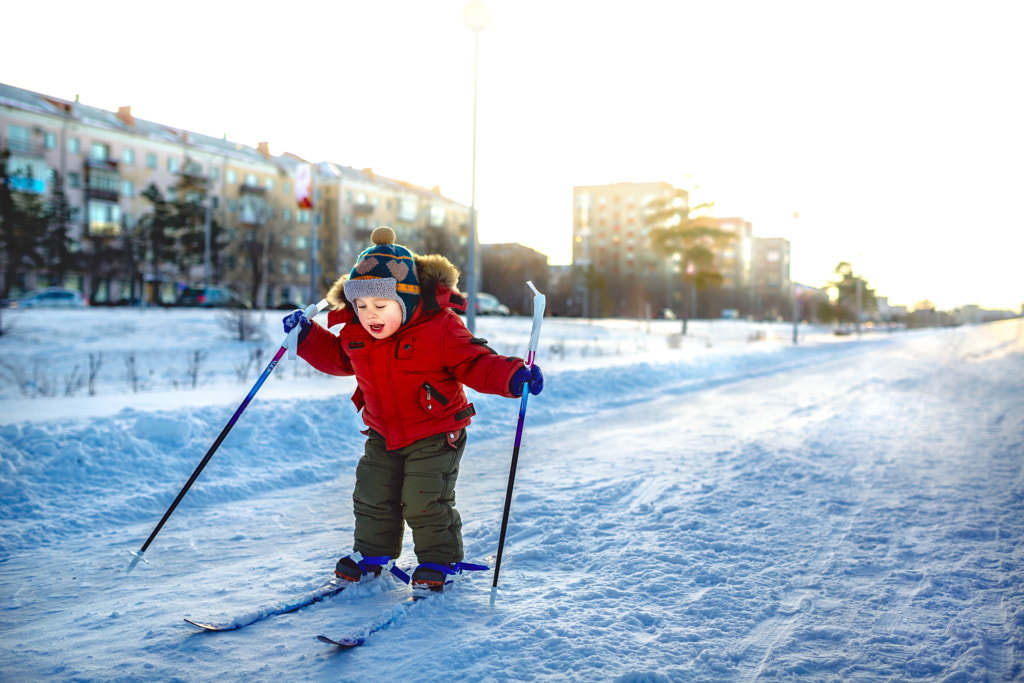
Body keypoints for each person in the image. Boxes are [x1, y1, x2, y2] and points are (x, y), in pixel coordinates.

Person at [282, 226, 543, 591]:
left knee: (424, 499)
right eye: (361, 306)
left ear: (405, 300)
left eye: (381, 306)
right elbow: (339, 358)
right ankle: (372, 555)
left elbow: (475, 362)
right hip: (382, 432)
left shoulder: (440, 330)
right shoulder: (358, 332)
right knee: (372, 493)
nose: (370, 315)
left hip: (436, 433)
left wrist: (512, 376)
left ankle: (440, 560)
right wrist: (307, 336)